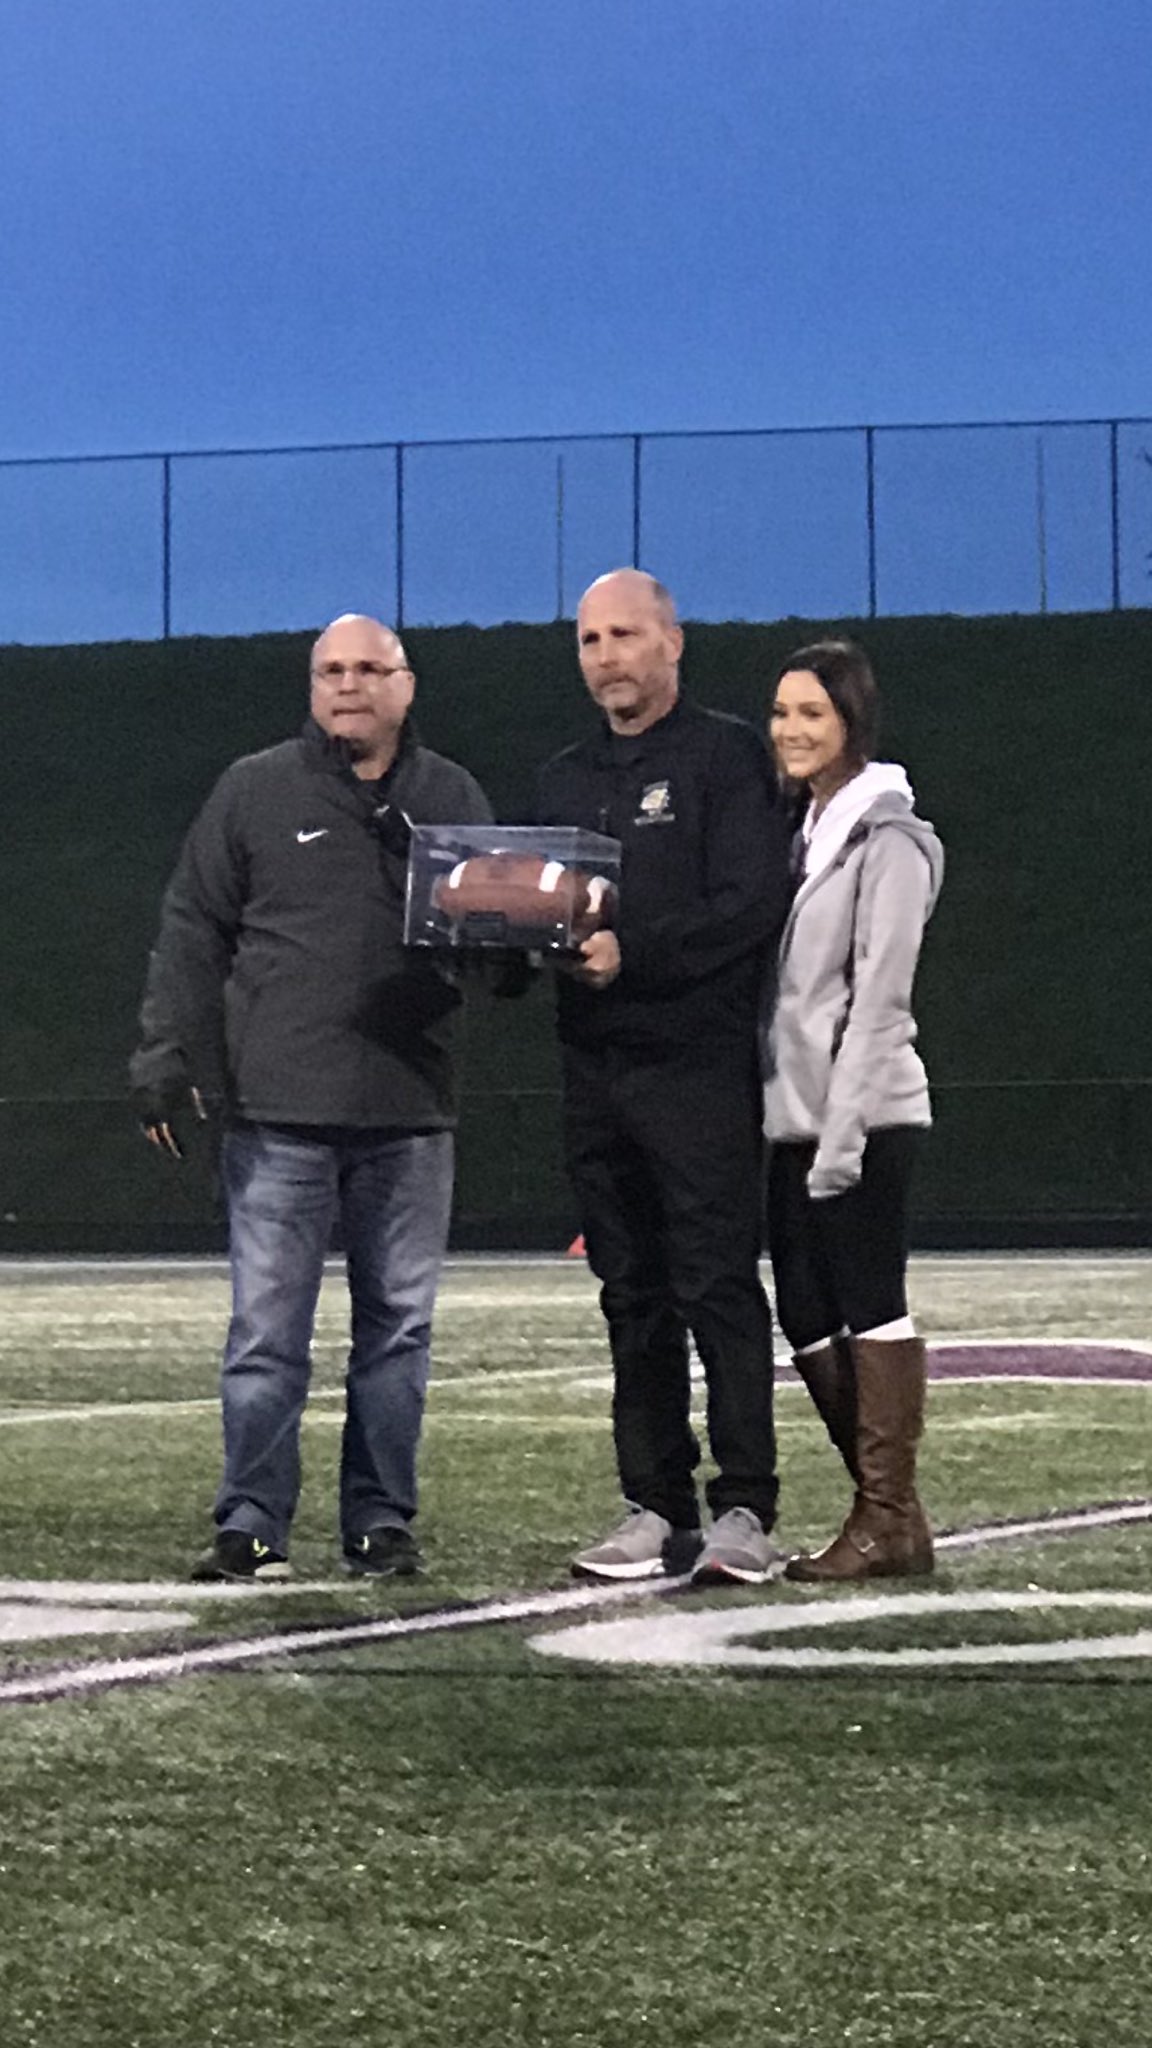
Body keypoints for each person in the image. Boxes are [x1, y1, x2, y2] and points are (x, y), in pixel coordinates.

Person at [131, 613, 493, 1583]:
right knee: (264, 1333)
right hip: (277, 1112)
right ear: (312, 683)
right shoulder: (253, 788)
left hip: (410, 1109)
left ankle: (380, 1521)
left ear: (405, 685)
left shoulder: (450, 794)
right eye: (331, 668)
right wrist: (165, 1054)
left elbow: (501, 952)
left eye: (369, 668)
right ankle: (251, 1517)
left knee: (399, 1335)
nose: (348, 684)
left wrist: (531, 939)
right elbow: (193, 927)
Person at [537, 568, 792, 1586]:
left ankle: (745, 1507)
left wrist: (629, 952)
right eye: (592, 639)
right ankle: (655, 1503)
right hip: (595, 1068)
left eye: (626, 635)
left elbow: (747, 904)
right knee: (629, 1291)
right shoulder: (560, 777)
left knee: (718, 1284)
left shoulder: (727, 756)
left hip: (697, 1066)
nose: (608, 656)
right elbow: (534, 905)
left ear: (672, 642)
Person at [764, 639, 943, 1581]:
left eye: (812, 714)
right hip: (794, 1115)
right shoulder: (803, 830)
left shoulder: (893, 839)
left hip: (866, 1116)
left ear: (851, 724)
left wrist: (843, 1139)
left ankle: (882, 1519)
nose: (792, 730)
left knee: (870, 1304)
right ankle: (895, 1519)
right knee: (802, 1309)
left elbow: (881, 999)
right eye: (783, 713)